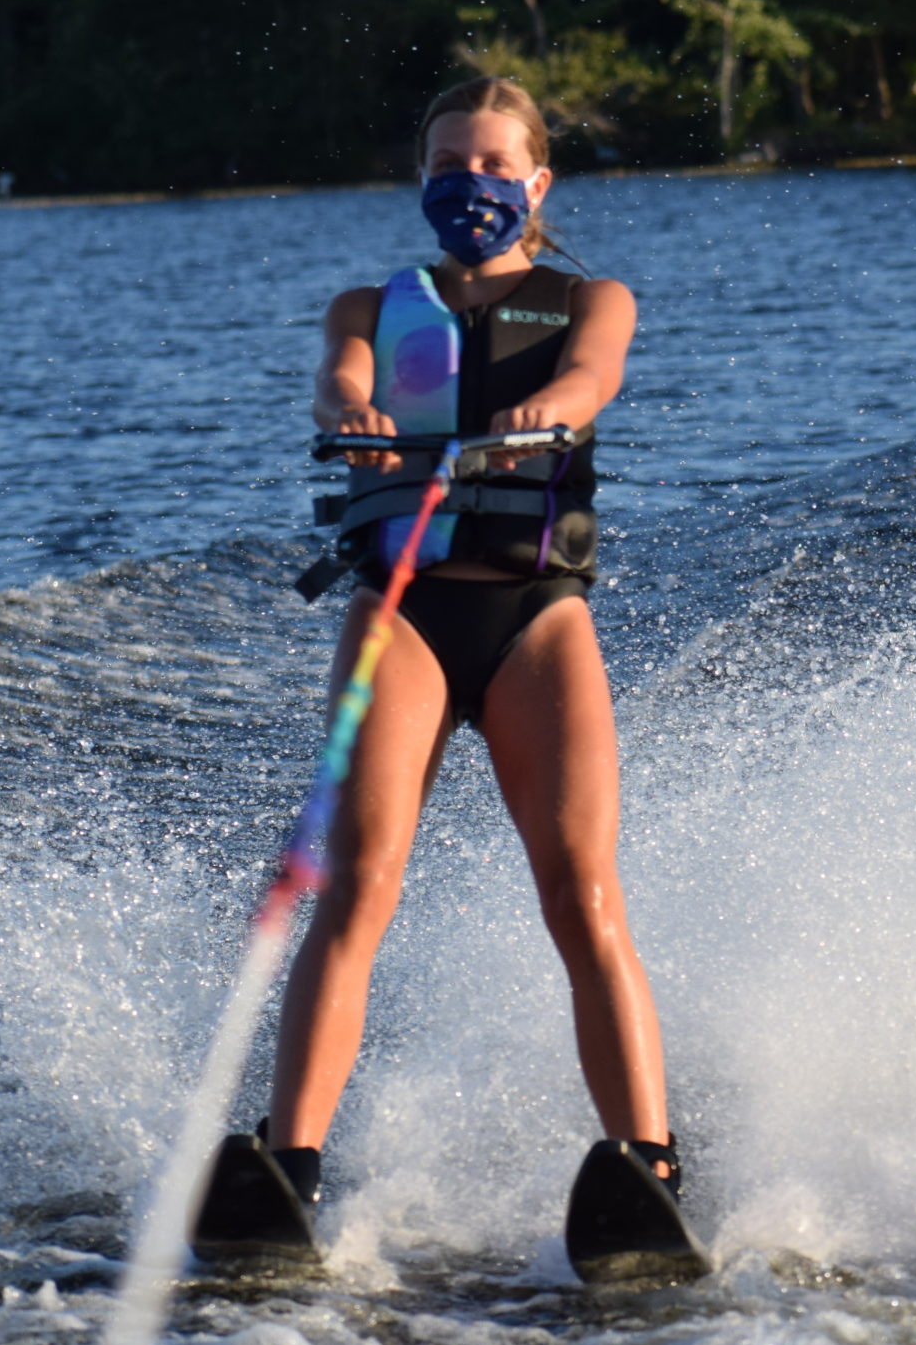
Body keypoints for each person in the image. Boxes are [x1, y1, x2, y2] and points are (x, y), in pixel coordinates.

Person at [210, 77, 679, 1240]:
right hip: (402, 613)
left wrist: (551, 407)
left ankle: (649, 1163)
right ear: (421, 179)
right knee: (355, 888)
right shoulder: (368, 308)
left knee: (580, 893)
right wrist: (354, 411)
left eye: (493, 165)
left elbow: (595, 375)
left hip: (535, 617)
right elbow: (339, 379)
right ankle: (290, 1165)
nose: (470, 184)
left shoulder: (591, 300)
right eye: (447, 165)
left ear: (536, 182)